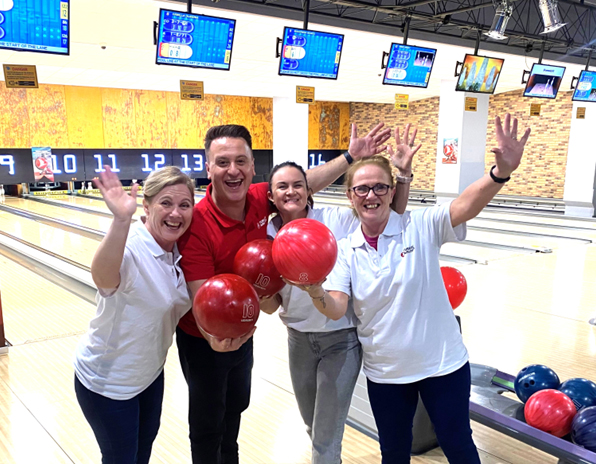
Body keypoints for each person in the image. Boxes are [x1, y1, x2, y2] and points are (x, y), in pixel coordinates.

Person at [300, 114, 531, 463]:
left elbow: (464, 205)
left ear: (392, 191)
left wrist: (500, 173)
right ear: (351, 196)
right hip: (386, 372)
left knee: (458, 445)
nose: (371, 195)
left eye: (380, 187)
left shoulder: (419, 225)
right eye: (362, 189)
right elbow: (336, 307)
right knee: (393, 453)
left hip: (443, 365)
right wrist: (315, 290)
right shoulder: (345, 249)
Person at [176, 122, 392, 464]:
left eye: (241, 161)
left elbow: (301, 186)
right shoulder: (198, 223)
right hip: (204, 337)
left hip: (243, 328)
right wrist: (213, 336)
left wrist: (350, 157)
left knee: (233, 415)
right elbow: (201, 299)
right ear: (208, 167)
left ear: (252, 166)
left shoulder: (258, 199)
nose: (233, 170)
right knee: (207, 427)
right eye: (222, 162)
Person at [263, 124, 420, 464]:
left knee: (325, 437)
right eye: (282, 186)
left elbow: (390, 214)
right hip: (298, 339)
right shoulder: (266, 235)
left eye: (298, 185)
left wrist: (403, 177)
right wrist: (257, 289)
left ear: (309, 190)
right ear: (271, 196)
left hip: (341, 338)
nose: (291, 191)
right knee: (313, 426)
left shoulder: (335, 219)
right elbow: (271, 304)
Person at [74, 166, 195, 464]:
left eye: (184, 205)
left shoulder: (180, 250)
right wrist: (120, 220)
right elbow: (104, 278)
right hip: (109, 384)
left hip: (150, 376)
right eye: (166, 203)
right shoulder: (132, 246)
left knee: (142, 455)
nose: (175, 213)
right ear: (147, 206)